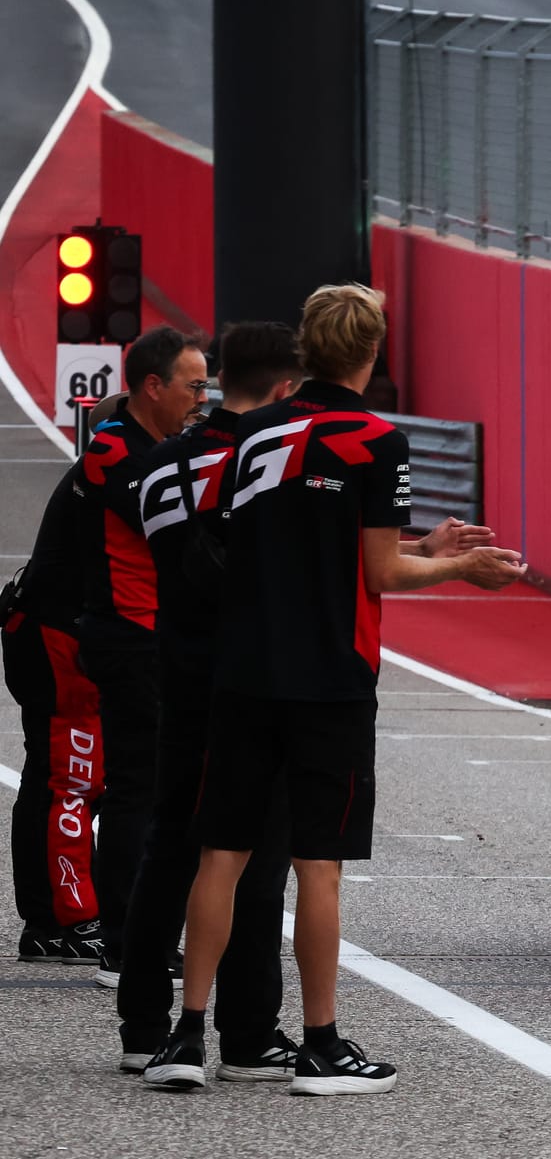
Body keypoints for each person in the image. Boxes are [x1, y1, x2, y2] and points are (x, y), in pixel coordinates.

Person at [145, 285, 526, 1094]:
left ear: (307, 350)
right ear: (372, 353)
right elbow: (379, 569)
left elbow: (250, 539)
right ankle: (321, 1045)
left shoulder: (251, 436)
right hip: (331, 678)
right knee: (317, 867)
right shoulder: (376, 439)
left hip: (242, 673)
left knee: (220, 856)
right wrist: (458, 562)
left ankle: (184, 1036)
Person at [115, 323, 303, 1077]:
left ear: (222, 376)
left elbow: (169, 558)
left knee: (169, 841)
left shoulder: (160, 467)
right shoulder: (279, 463)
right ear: (287, 385)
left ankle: (141, 1025)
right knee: (255, 855)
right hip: (260, 678)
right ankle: (250, 1032)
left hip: (181, 671)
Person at [76, 328, 210, 987]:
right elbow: (179, 538)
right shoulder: (117, 451)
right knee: (137, 788)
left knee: (156, 789)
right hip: (130, 636)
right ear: (152, 386)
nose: (202, 399)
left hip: (150, 634)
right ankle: (126, 942)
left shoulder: (153, 446)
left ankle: (138, 937)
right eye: (193, 386)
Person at [6, 466, 104, 964]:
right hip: (60, 639)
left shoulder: (98, 467)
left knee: (53, 776)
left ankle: (46, 921)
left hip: (44, 631)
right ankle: (73, 923)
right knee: (71, 780)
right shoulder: (116, 465)